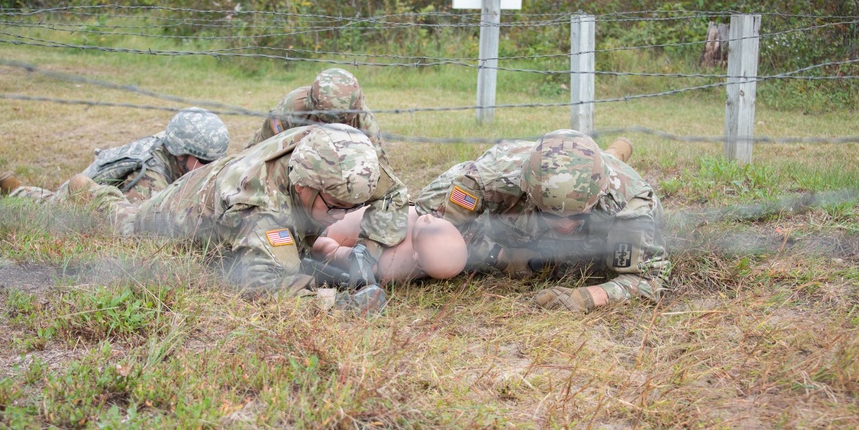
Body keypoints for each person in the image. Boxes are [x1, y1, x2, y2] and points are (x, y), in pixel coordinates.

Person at [75, 123, 409, 309]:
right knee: (123, 219)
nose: (342, 217)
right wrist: (337, 307)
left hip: (220, 179)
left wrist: (369, 252)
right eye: (334, 206)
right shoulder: (259, 205)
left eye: (352, 208)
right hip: (178, 209)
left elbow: (393, 193)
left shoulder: (345, 160)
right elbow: (261, 285)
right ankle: (74, 190)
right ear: (304, 186)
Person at [414, 130, 670, 311]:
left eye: (578, 216)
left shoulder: (630, 203)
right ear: (527, 190)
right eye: (550, 215)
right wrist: (498, 256)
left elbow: (650, 278)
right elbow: (434, 221)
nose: (567, 225)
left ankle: (615, 151)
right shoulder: (493, 176)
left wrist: (590, 296)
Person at [0, 108, 230, 204]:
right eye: (205, 161)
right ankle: (17, 191)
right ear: (179, 153)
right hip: (81, 195)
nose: (210, 166)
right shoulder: (150, 178)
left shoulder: (184, 151)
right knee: (52, 205)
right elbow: (134, 221)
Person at [312, 206, 468, 283]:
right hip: (333, 220)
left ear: (416, 258)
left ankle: (322, 247)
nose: (429, 218)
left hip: (332, 232)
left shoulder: (394, 262)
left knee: (363, 263)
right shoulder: (423, 214)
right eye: (438, 221)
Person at [245, 69, 380, 147]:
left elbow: (376, 168)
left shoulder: (365, 124)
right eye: (324, 121)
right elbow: (264, 147)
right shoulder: (291, 108)